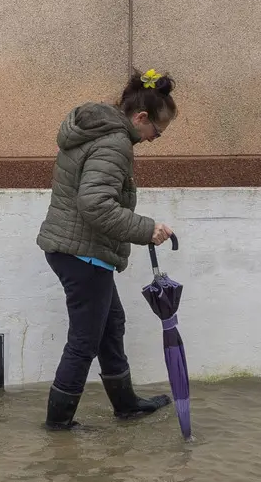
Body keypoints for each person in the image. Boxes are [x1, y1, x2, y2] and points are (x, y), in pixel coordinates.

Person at [34, 69, 178, 431]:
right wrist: (148, 229)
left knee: (111, 325)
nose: (153, 139)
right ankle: (58, 423)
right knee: (84, 340)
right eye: (156, 132)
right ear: (141, 118)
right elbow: (96, 204)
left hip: (77, 248)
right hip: (83, 253)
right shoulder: (115, 143)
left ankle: (126, 403)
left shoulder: (96, 131)